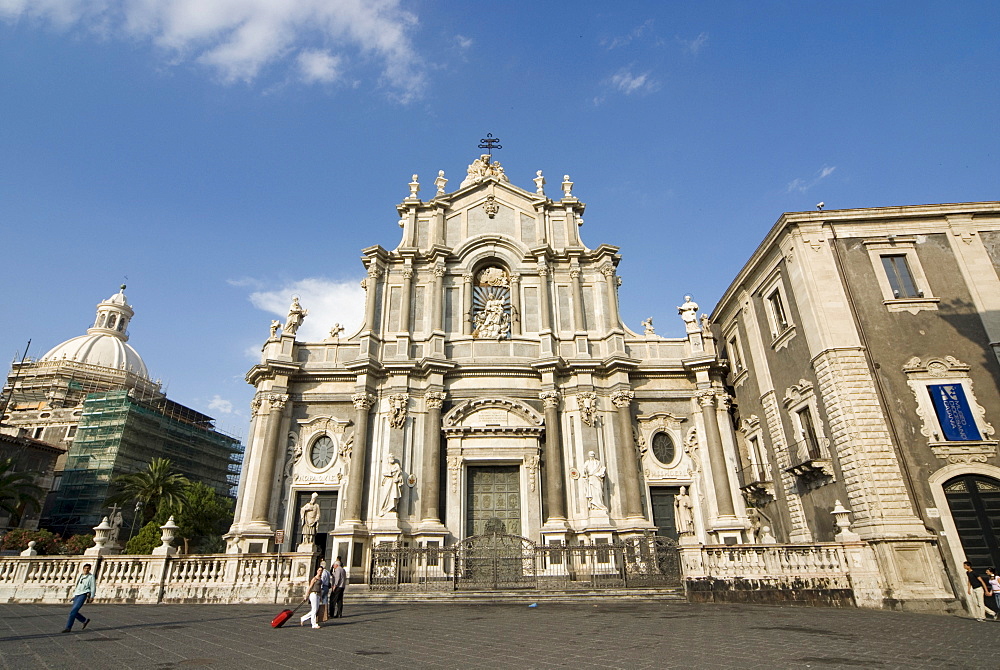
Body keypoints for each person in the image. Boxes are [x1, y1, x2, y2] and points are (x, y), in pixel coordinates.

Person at [62, 563, 95, 633]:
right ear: (83, 569)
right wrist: (74, 595)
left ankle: (68, 627)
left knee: (73, 612)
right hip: (77, 594)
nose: (86, 570)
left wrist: (92, 596)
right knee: (74, 612)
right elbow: (77, 586)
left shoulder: (91, 577)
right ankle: (84, 620)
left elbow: (93, 587)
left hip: (83, 594)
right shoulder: (80, 575)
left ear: (90, 569)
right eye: (85, 568)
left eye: (88, 568)